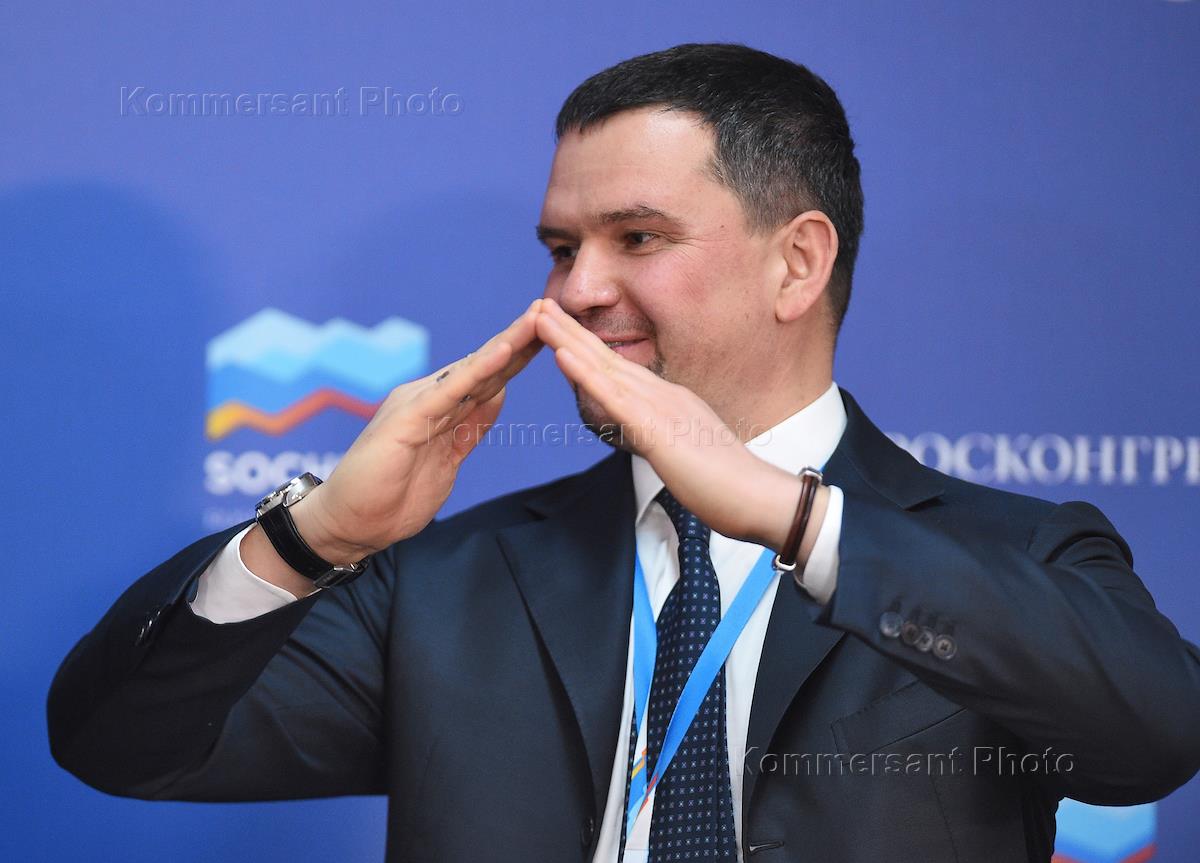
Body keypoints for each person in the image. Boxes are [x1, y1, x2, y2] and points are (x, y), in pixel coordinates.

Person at [48, 43, 1200, 863]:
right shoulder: (454, 579)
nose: (577, 290)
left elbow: (1154, 737)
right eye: (562, 247)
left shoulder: (1012, 554)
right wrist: (316, 535)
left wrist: (795, 517)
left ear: (797, 262)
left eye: (636, 237)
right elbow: (120, 745)